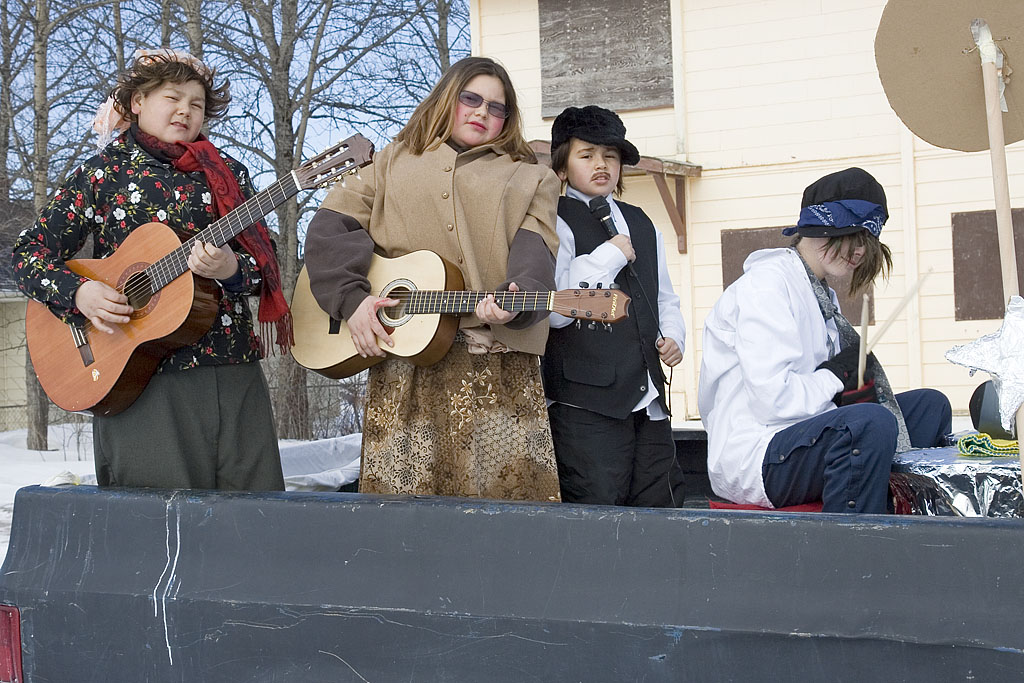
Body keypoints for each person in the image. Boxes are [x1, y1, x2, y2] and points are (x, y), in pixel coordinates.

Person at [11, 49, 286, 491]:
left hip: (232, 367)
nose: (185, 110)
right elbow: (27, 254)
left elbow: (266, 266)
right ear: (137, 102)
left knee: (254, 522)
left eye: (196, 104)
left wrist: (233, 267)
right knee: (158, 531)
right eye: (173, 98)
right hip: (139, 375)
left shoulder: (228, 174)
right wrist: (80, 293)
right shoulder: (102, 173)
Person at [303, 56, 561, 502]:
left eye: (497, 108)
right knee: (404, 512)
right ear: (447, 99)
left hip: (494, 365)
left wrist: (517, 295)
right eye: (471, 99)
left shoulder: (533, 178)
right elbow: (330, 229)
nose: (483, 112)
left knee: (505, 510)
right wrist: (352, 300)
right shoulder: (386, 163)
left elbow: (535, 253)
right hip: (404, 365)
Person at [698, 167, 951, 513]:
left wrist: (853, 390)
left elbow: (823, 394)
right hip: (758, 453)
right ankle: (855, 548)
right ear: (823, 229)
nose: (861, 252)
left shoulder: (821, 297)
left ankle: (920, 521)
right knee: (870, 424)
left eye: (868, 240)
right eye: (855, 236)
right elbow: (772, 401)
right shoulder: (768, 286)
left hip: (801, 436)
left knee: (929, 407)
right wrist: (835, 377)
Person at [542, 105, 687, 507]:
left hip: (648, 402)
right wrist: (608, 257)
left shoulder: (641, 221)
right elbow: (552, 311)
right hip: (584, 408)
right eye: (586, 155)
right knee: (598, 518)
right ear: (563, 166)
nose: (601, 164)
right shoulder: (554, 220)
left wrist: (673, 336)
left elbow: (664, 297)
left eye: (610, 155)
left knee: (659, 512)